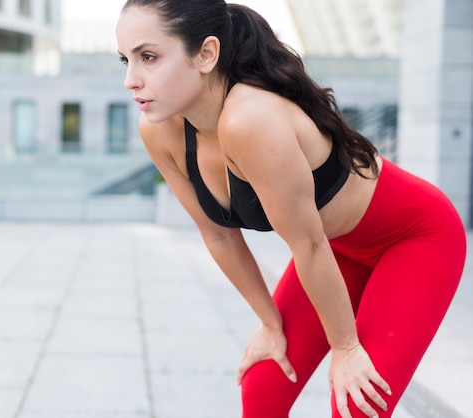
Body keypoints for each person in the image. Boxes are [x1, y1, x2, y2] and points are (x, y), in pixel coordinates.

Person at [116, 1, 466, 417]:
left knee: (357, 404)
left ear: (207, 54)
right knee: (263, 385)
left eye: (148, 57)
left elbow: (309, 244)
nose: (130, 80)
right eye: (125, 59)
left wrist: (347, 347)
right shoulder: (160, 130)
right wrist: (269, 324)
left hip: (414, 237)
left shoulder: (249, 119)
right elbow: (218, 233)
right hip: (336, 250)